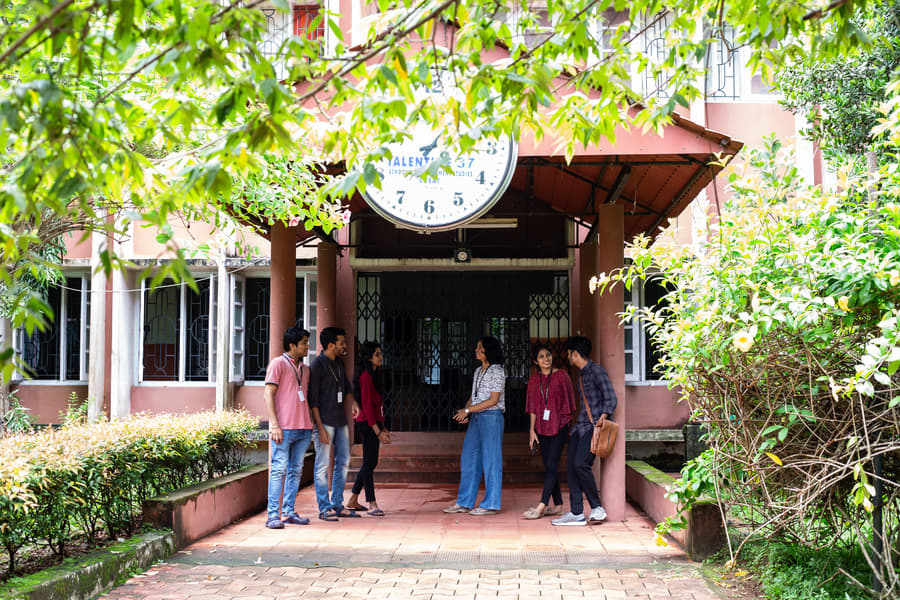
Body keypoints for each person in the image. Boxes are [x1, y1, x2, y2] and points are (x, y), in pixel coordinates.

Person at [552, 335, 618, 526]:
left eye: (569, 353)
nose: (567, 356)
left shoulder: (596, 371)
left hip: (593, 427)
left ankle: (597, 508)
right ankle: (576, 512)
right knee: (571, 467)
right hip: (579, 428)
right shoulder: (581, 374)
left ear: (575, 353)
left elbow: (611, 398)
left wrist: (602, 418)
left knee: (581, 464)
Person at [443, 336, 506, 516]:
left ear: (489, 351)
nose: (476, 350)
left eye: (480, 348)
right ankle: (464, 502)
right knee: (469, 458)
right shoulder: (478, 370)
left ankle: (491, 504)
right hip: (477, 417)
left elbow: (493, 400)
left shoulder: (497, 371)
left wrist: (469, 411)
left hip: (492, 418)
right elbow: (474, 396)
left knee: (491, 461)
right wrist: (465, 411)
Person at [263, 326, 314, 529]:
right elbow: (268, 394)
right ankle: (273, 516)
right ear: (292, 345)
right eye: (304, 343)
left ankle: (289, 512)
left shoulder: (305, 369)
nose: (307, 347)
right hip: (283, 428)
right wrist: (274, 425)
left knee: (296, 471)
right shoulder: (278, 364)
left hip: (303, 428)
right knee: (279, 470)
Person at [309, 326, 361, 521]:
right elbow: (313, 401)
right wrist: (320, 428)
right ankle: (324, 508)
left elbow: (346, 388)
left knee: (343, 462)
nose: (345, 346)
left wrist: (354, 403)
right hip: (325, 423)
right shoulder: (317, 366)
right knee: (322, 466)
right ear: (331, 345)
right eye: (342, 343)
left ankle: (337, 504)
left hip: (341, 422)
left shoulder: (338, 363)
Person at [523, 343, 576, 520]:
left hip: (560, 425)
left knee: (552, 465)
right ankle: (559, 504)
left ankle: (542, 505)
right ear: (535, 361)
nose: (546, 359)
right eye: (541, 357)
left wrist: (565, 423)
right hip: (541, 428)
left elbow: (569, 402)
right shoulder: (533, 380)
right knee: (549, 466)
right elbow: (532, 407)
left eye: (548, 355)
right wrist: (532, 430)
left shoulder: (562, 376)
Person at [346, 341, 392, 516]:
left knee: (370, 462)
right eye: (377, 354)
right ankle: (372, 503)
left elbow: (377, 405)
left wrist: (382, 426)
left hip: (373, 423)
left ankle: (353, 499)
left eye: (380, 353)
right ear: (369, 357)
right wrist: (378, 432)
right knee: (369, 462)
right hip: (367, 423)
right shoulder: (365, 377)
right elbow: (367, 407)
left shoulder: (375, 374)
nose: (381, 357)